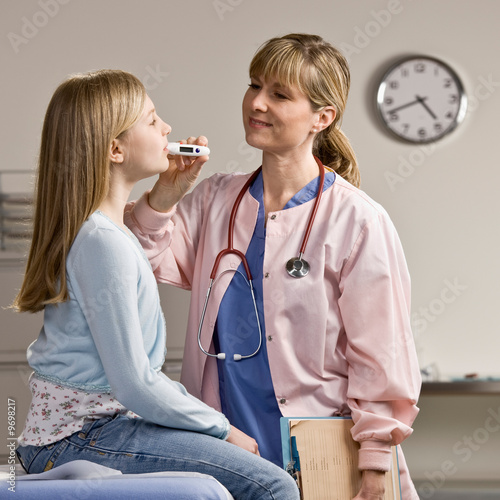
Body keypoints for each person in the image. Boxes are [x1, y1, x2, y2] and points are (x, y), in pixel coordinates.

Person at [125, 34, 421, 499]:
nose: (257, 103)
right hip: (225, 442)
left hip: (325, 444)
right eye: (254, 85)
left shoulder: (358, 220)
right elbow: (139, 262)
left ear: (322, 118)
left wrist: (375, 464)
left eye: (279, 94)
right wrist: (166, 193)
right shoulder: (216, 198)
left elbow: (381, 354)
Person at [13, 69, 300, 500]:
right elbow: (135, 384)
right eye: (152, 120)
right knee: (272, 484)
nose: (166, 128)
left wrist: (168, 194)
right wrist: (222, 429)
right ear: (115, 149)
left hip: (81, 431)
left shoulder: (104, 233)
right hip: (79, 437)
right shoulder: (102, 242)